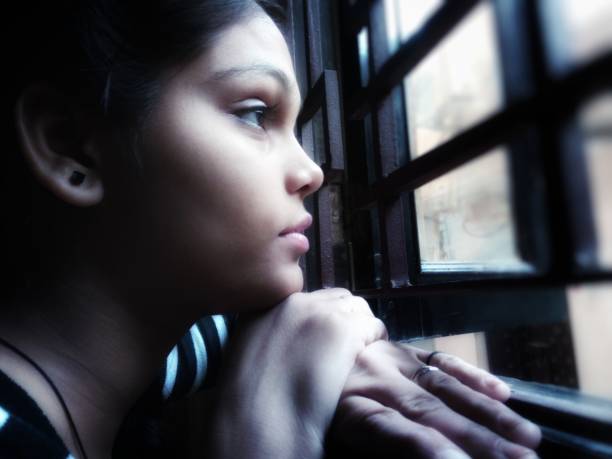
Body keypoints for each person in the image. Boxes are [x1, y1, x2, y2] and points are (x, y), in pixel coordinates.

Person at [0, 1, 542, 458]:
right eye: (256, 114)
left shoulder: (170, 347)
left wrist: (320, 347)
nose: (311, 172)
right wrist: (263, 432)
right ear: (70, 147)